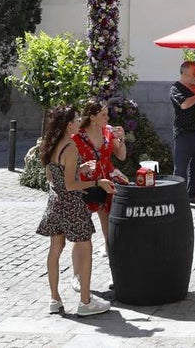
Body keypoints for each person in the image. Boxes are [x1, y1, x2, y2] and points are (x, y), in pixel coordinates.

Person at [35, 105, 114, 316]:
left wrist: (79, 169)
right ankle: (86, 303)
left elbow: (53, 177)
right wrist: (98, 181)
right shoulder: (70, 147)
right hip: (71, 204)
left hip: (55, 202)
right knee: (85, 247)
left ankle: (54, 299)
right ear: (69, 124)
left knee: (55, 248)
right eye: (77, 119)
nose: (80, 121)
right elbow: (70, 185)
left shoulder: (51, 144)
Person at [70, 97, 127, 294]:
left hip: (106, 184)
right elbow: (67, 164)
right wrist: (80, 168)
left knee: (110, 232)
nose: (107, 117)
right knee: (82, 235)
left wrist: (121, 140)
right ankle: (77, 276)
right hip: (86, 185)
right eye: (103, 114)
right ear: (92, 117)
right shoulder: (77, 137)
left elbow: (121, 156)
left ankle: (117, 274)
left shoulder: (108, 131)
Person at [169, 60, 195, 203]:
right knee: (181, 166)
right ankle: (178, 197)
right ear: (185, 73)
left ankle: (193, 194)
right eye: (194, 73)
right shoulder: (176, 88)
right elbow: (184, 105)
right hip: (184, 133)